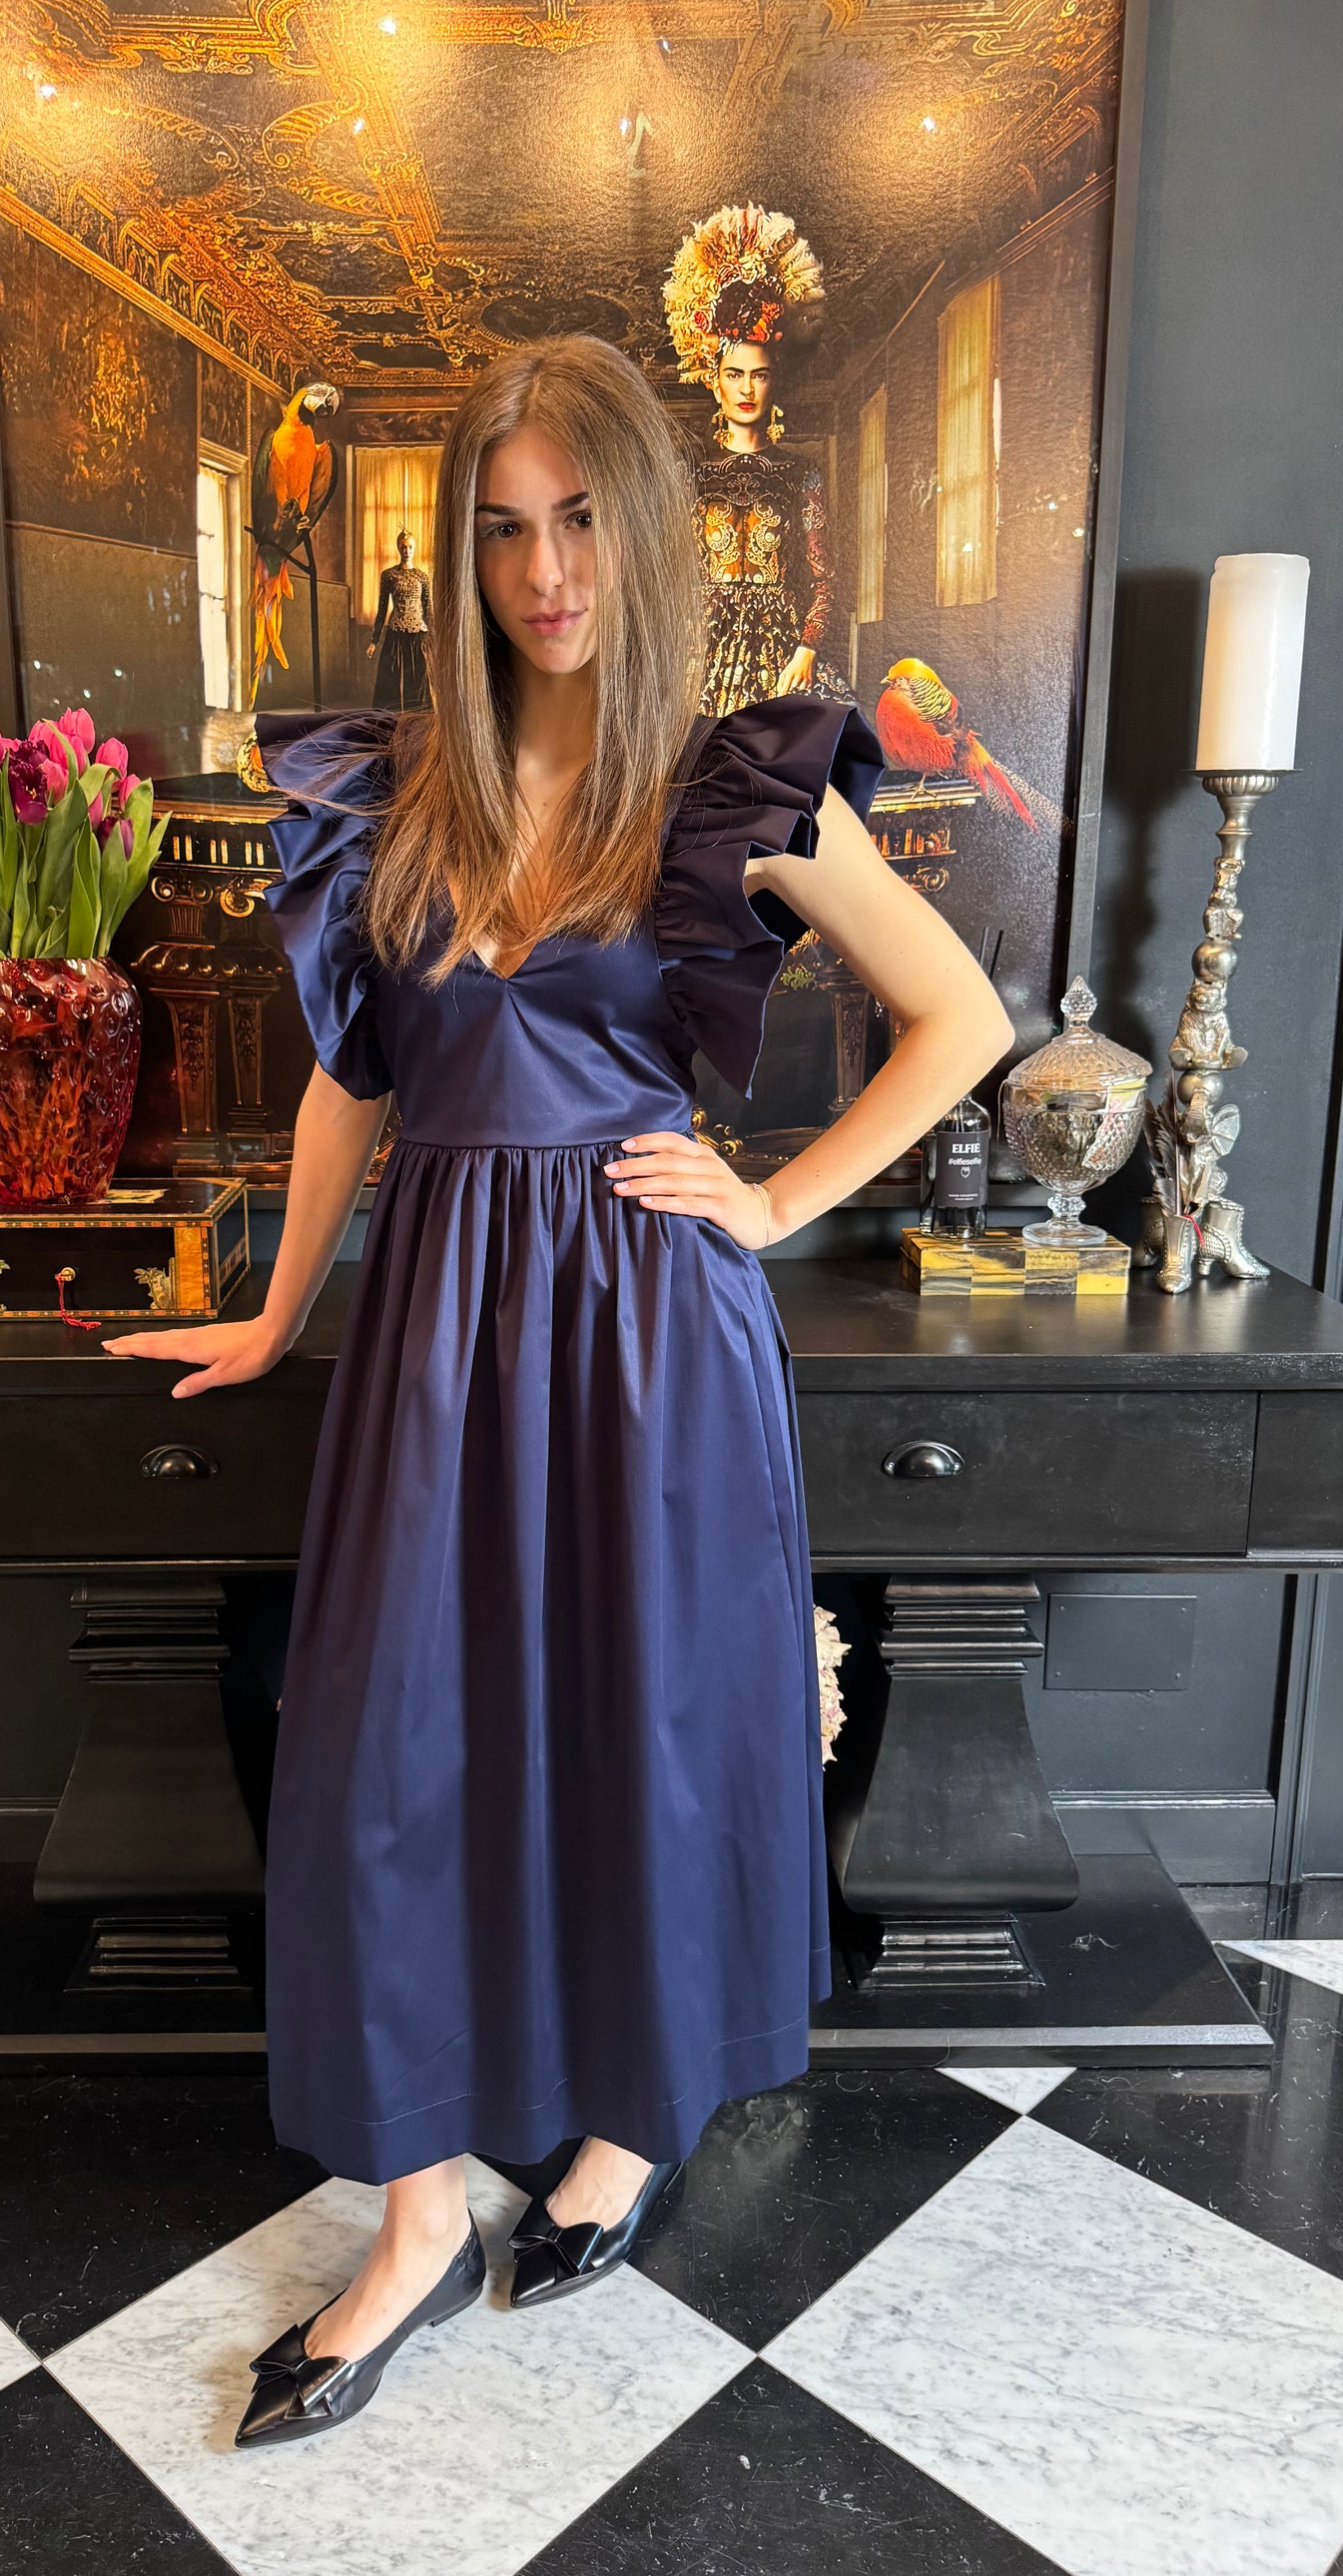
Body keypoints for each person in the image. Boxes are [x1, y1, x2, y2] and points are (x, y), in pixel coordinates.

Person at [103, 333, 1010, 2448]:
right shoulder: (390, 785)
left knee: (642, 1734)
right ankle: (415, 2212)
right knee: (386, 1760)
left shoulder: (729, 786)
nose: (543, 570)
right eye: (503, 528)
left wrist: (769, 1202)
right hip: (432, 1334)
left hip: (646, 1334)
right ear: (460, 552)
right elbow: (352, 1082)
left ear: (645, 528)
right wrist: (273, 1313)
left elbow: (958, 1018)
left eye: (581, 519)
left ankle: (627, 2121)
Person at [665, 204, 857, 713]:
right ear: (715, 383)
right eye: (734, 375)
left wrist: (807, 649)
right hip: (703, 656)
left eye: (759, 375)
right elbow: (671, 577)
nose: (747, 389)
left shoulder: (800, 474)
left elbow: (825, 579)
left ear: (773, 382)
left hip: (782, 652)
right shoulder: (690, 474)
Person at [366, 527, 432, 710]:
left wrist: (433, 637)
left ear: (414, 548)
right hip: (396, 632)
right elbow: (382, 609)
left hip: (418, 634)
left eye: (410, 547)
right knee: (392, 679)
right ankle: (391, 719)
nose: (407, 551)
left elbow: (428, 609)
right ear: (398, 548)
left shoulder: (422, 577)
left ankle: (417, 718)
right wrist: (374, 640)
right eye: (403, 547)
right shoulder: (389, 575)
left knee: (417, 680)